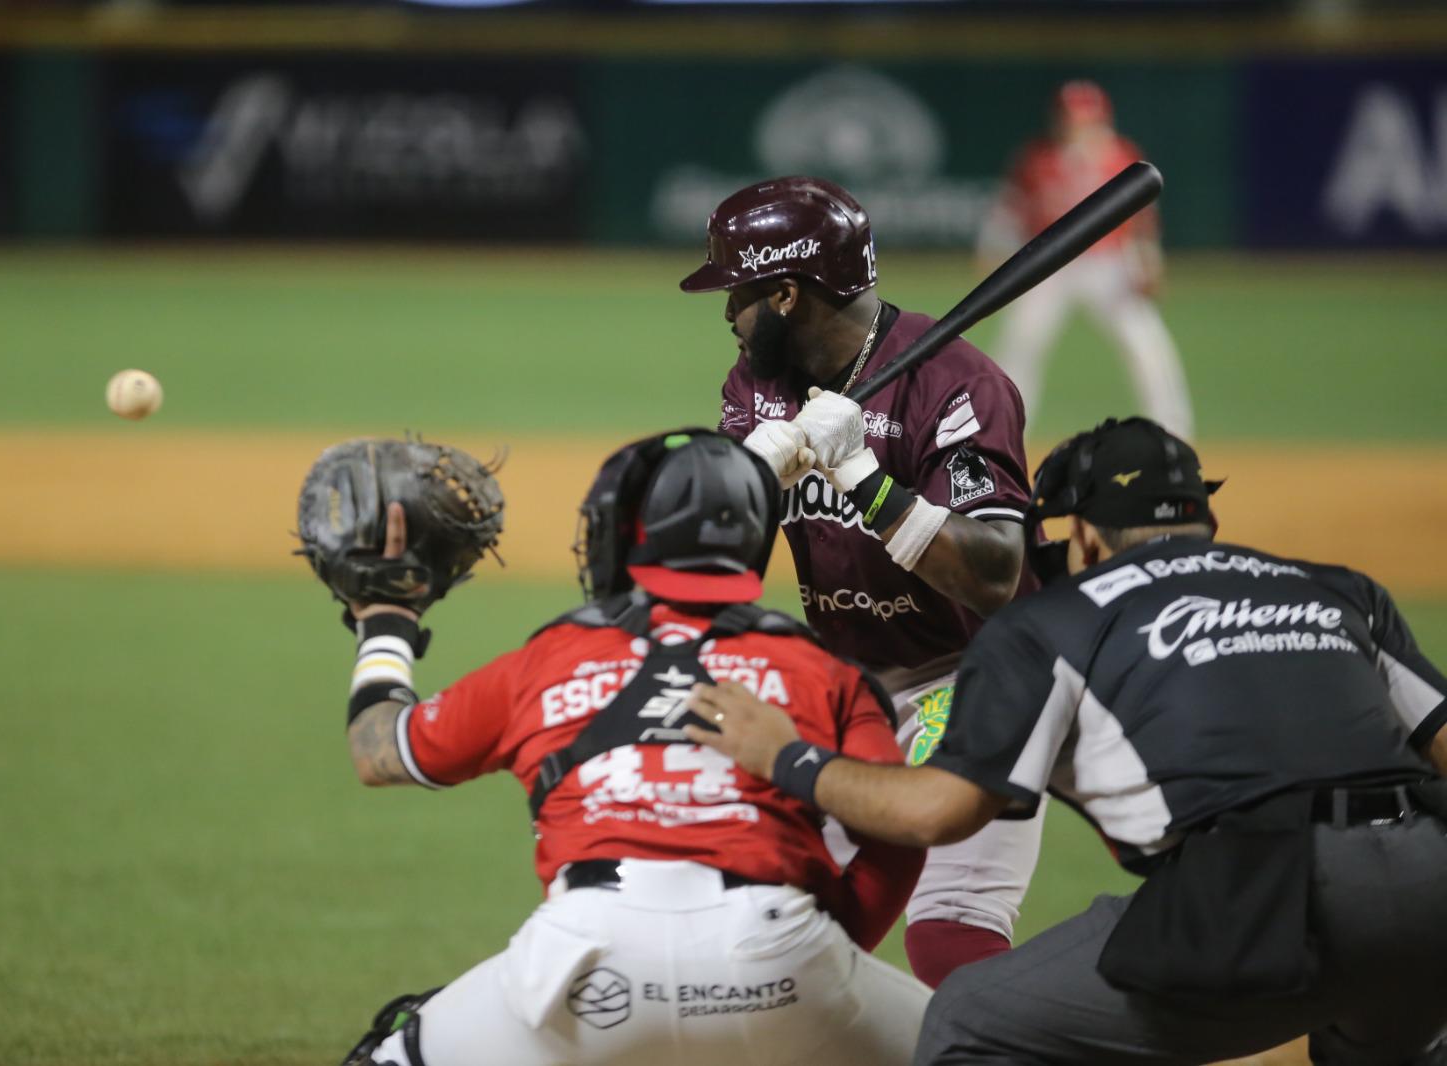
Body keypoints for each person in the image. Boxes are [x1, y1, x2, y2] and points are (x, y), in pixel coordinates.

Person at [686, 416, 1447, 1065]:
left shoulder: (1057, 619)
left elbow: (936, 814)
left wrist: (788, 756)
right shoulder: (1337, 589)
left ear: (1081, 535)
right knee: (1385, 1034)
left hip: (1257, 892)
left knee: (968, 1021)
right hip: (1427, 885)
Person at [326, 430, 931, 1066]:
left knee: (391, 1054)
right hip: (778, 948)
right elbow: (899, 828)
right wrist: (824, 951)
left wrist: (386, 620)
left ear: (623, 534)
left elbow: (379, 750)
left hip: (581, 962)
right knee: (981, 1038)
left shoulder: (549, 660)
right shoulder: (824, 672)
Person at [682, 175, 1042, 985]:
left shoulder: (960, 384)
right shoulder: (757, 383)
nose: (726, 312)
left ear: (783, 292)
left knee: (951, 932)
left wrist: (866, 479)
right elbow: (720, 556)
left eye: (737, 291)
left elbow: (995, 572)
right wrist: (750, 476)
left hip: (979, 675)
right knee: (775, 918)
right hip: (848, 682)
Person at [978, 81, 1194, 440]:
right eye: (1069, 117)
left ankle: (1174, 432)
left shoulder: (1120, 155)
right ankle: (1001, 435)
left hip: (1107, 265)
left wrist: (1148, 262)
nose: (1075, 125)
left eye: (1083, 118)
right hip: (1048, 265)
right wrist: (993, 249)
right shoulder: (1037, 158)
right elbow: (1010, 210)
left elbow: (1142, 218)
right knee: (1019, 344)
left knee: (1146, 344)